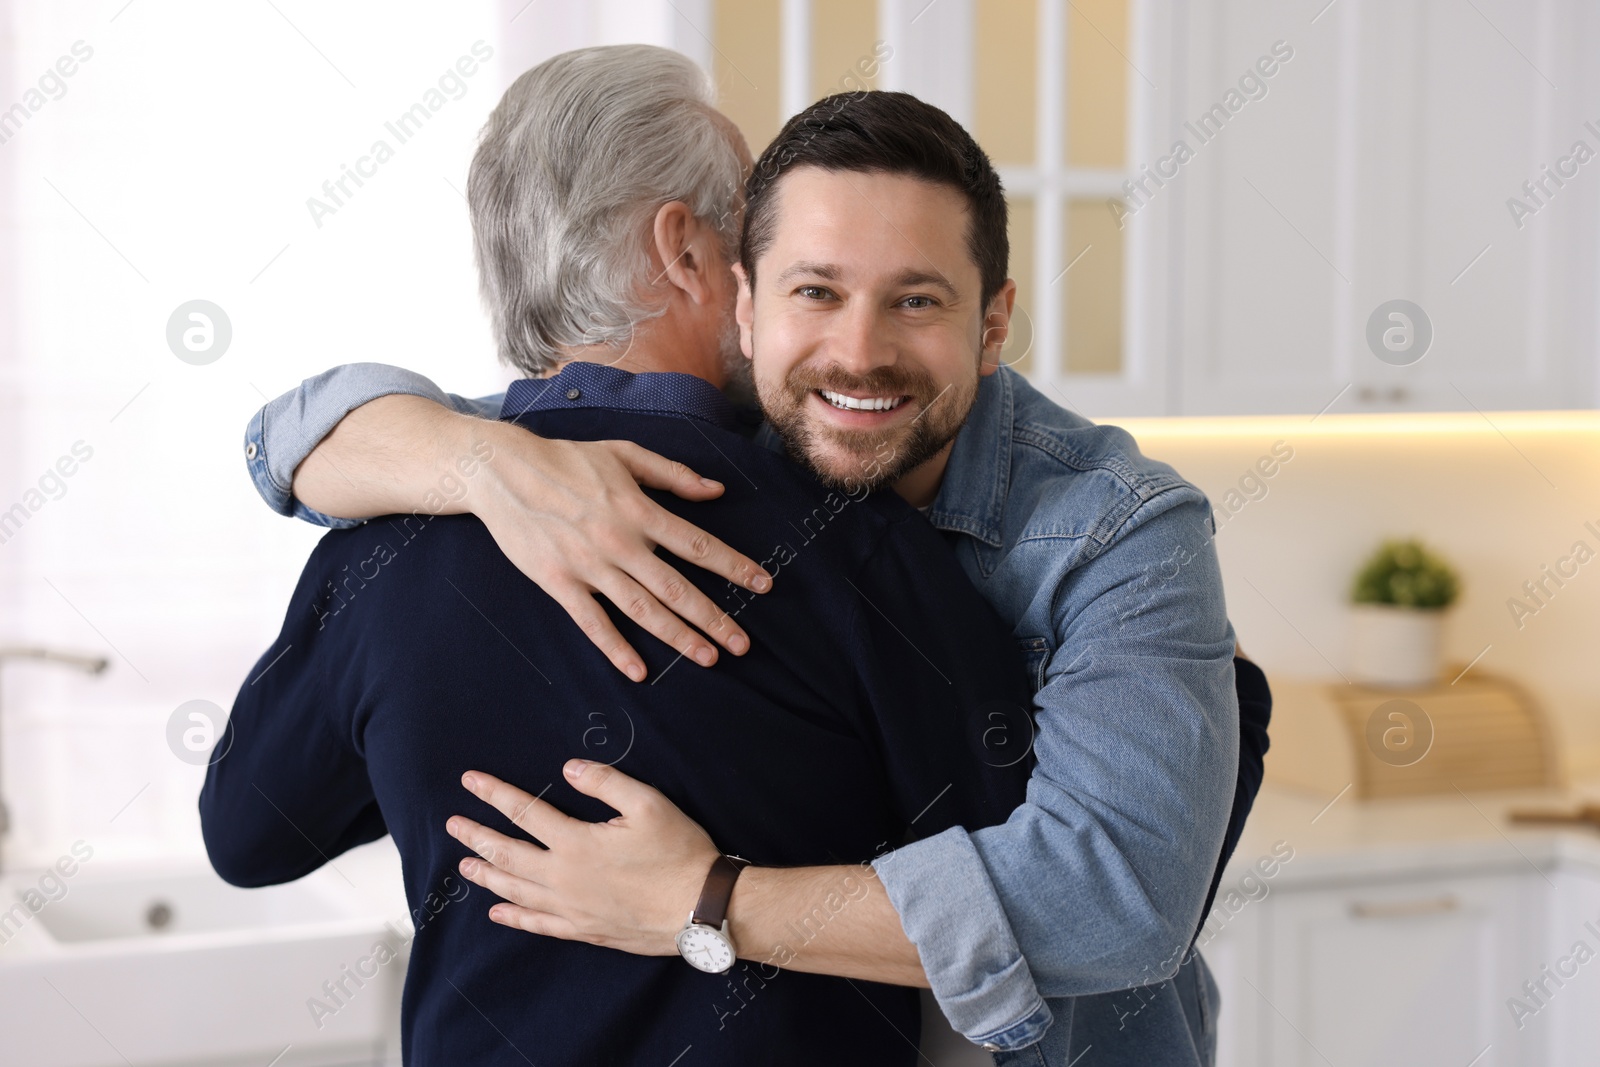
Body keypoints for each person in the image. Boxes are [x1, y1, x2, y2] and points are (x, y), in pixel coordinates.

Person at [242, 64, 1273, 1067]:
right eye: (812, 288)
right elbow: (290, 439)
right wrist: (475, 460)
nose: (856, 352)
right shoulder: (569, 474)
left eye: (916, 300)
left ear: (992, 322)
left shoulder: (1115, 528)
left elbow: (1114, 900)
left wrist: (696, 898)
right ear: (739, 294)